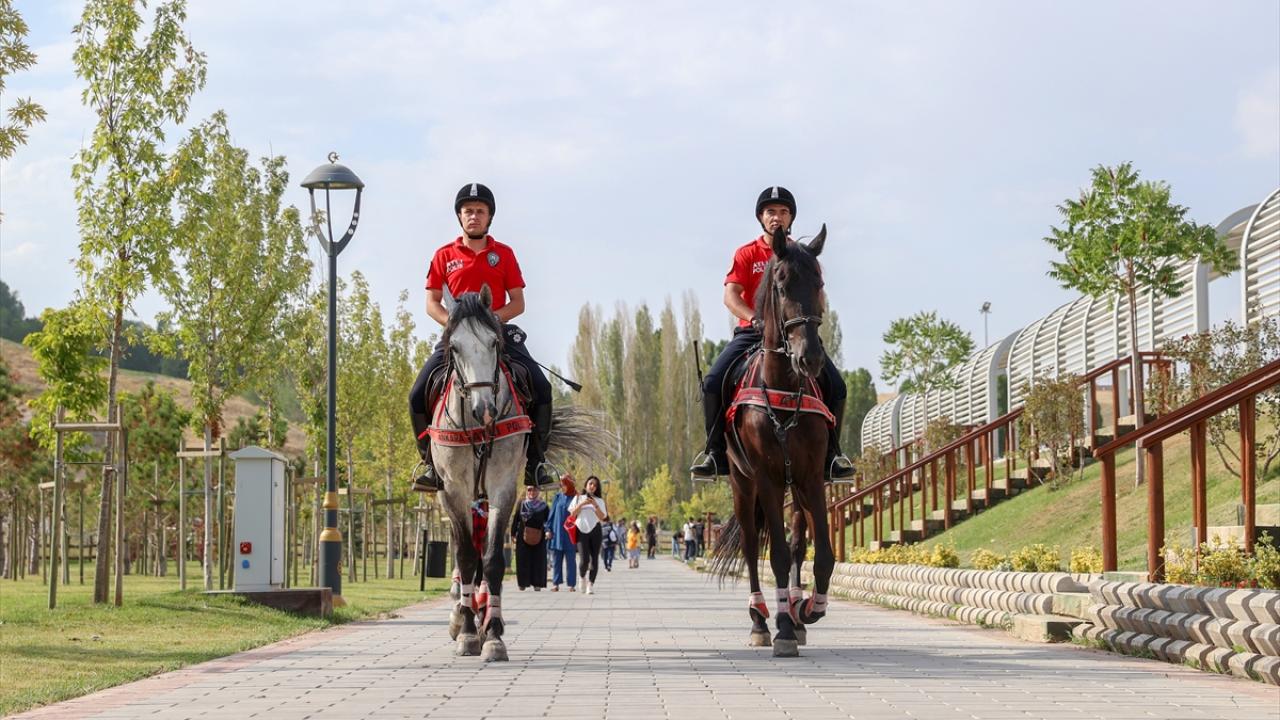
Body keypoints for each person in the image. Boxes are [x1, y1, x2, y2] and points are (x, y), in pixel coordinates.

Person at [689, 186, 855, 483]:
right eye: (770, 212)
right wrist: (754, 318)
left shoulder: (804, 256)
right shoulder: (746, 253)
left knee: (838, 386)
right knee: (713, 382)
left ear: (791, 217)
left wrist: (808, 323)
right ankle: (714, 454)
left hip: (794, 337)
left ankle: (833, 455)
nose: (777, 217)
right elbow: (731, 296)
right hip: (752, 334)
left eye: (783, 212)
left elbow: (819, 296)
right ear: (761, 218)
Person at [409, 183, 556, 493]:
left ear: (489, 217)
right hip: (458, 339)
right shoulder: (443, 255)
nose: (473, 216)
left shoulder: (503, 254)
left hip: (497, 335)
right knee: (417, 393)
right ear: (459, 217)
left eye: (479, 211)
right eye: (468, 211)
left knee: (541, 386)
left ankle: (537, 463)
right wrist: (456, 325)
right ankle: (430, 465)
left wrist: (488, 322)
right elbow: (431, 303)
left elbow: (518, 302)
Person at [569, 475, 609, 594]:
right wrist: (582, 504)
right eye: (590, 483)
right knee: (584, 559)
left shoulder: (600, 501)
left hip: (595, 530)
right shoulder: (578, 498)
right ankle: (582, 577)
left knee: (594, 559)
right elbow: (572, 515)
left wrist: (595, 505)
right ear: (586, 485)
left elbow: (603, 517)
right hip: (581, 530)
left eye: (595, 485)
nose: (592, 486)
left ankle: (590, 585)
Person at [510, 485, 549, 591]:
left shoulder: (544, 506)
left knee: (538, 560)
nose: (532, 492)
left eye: (535, 490)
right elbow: (516, 519)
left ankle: (537, 583)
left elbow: (548, 521)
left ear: (538, 491)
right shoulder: (522, 504)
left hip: (539, 536)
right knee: (523, 560)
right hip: (523, 536)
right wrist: (513, 534)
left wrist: (548, 531)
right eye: (529, 490)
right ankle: (522, 583)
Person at [545, 476, 578, 591]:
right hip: (557, 534)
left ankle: (572, 585)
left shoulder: (576, 498)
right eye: (561, 484)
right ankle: (556, 583)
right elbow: (551, 515)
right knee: (556, 560)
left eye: (564, 484)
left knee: (571, 561)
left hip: (570, 535)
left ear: (569, 484)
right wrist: (548, 529)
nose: (562, 487)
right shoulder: (558, 497)